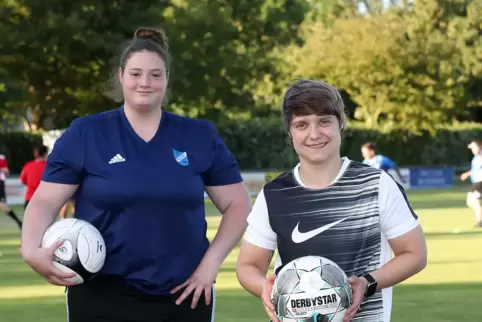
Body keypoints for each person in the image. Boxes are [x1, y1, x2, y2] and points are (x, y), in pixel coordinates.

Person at [21, 27, 252, 322]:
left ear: (166, 80)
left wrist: (210, 265)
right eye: (136, 74)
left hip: (184, 295)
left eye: (155, 75)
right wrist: (30, 250)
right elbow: (44, 202)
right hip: (101, 296)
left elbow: (239, 205)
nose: (145, 82)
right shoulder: (86, 133)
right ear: (121, 76)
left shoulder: (199, 135)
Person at [236, 79, 427, 322]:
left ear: (341, 123)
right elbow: (248, 266)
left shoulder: (377, 185)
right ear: (289, 132)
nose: (314, 134)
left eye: (324, 121)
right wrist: (263, 287)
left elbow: (415, 253)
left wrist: (367, 283)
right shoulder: (274, 194)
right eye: (301, 124)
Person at [460, 139, 482, 227]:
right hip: (476, 183)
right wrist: (466, 174)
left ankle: (479, 221)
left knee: (472, 201)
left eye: (473, 147)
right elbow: (475, 170)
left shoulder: (480, 155)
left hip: (479, 183)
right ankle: (479, 221)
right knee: (474, 202)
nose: (472, 149)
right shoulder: (476, 157)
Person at [0, 152, 23, 230]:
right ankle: (19, 222)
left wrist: (3, 170)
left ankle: (19, 222)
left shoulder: (1, 158)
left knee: (2, 205)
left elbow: (6, 171)